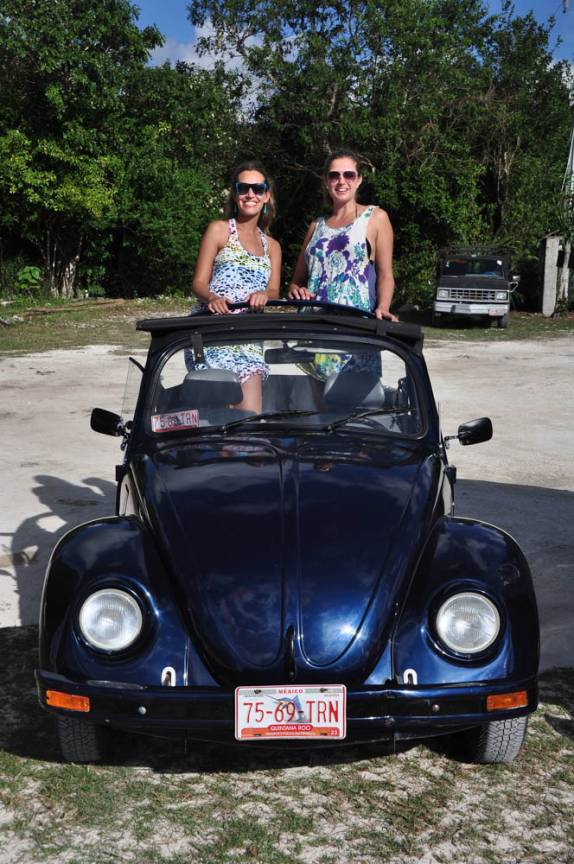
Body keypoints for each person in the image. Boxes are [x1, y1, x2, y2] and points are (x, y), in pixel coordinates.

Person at [189, 160, 281, 412]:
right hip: (214, 331)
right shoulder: (218, 230)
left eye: (257, 188)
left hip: (249, 335)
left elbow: (274, 290)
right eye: (244, 188)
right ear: (235, 193)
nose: (250, 194)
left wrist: (264, 294)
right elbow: (198, 282)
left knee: (249, 418)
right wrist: (212, 298)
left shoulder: (272, 245)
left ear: (266, 195)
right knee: (216, 418)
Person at [287, 149, 397, 321]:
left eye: (349, 175)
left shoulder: (376, 217)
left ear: (359, 179)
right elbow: (297, 280)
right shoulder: (316, 226)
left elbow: (385, 275)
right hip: (310, 326)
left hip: (352, 327)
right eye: (334, 176)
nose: (341, 181)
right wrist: (296, 290)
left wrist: (383, 307)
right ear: (325, 181)